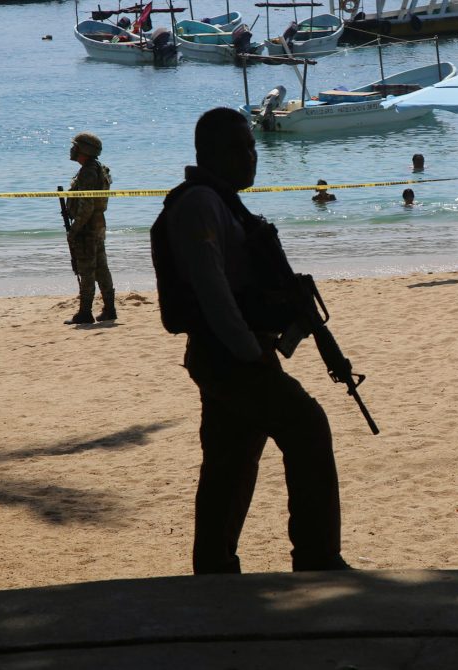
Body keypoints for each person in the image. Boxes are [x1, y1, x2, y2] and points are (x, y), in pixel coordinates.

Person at [152, 107, 350, 574]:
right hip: (229, 355)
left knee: (230, 462)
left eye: (252, 147)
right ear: (208, 153)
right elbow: (212, 291)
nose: (250, 157)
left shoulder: (220, 202)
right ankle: (317, 558)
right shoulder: (202, 203)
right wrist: (251, 353)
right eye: (237, 148)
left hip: (233, 352)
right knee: (306, 428)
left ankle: (215, 567)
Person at [65, 132, 117, 324]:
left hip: (87, 226)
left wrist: (75, 229)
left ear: (84, 150)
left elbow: (86, 204)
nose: (72, 150)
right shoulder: (97, 168)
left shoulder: (88, 171)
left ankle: (85, 312)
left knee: (87, 269)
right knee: (101, 267)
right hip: (97, 223)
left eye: (76, 146)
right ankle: (110, 309)